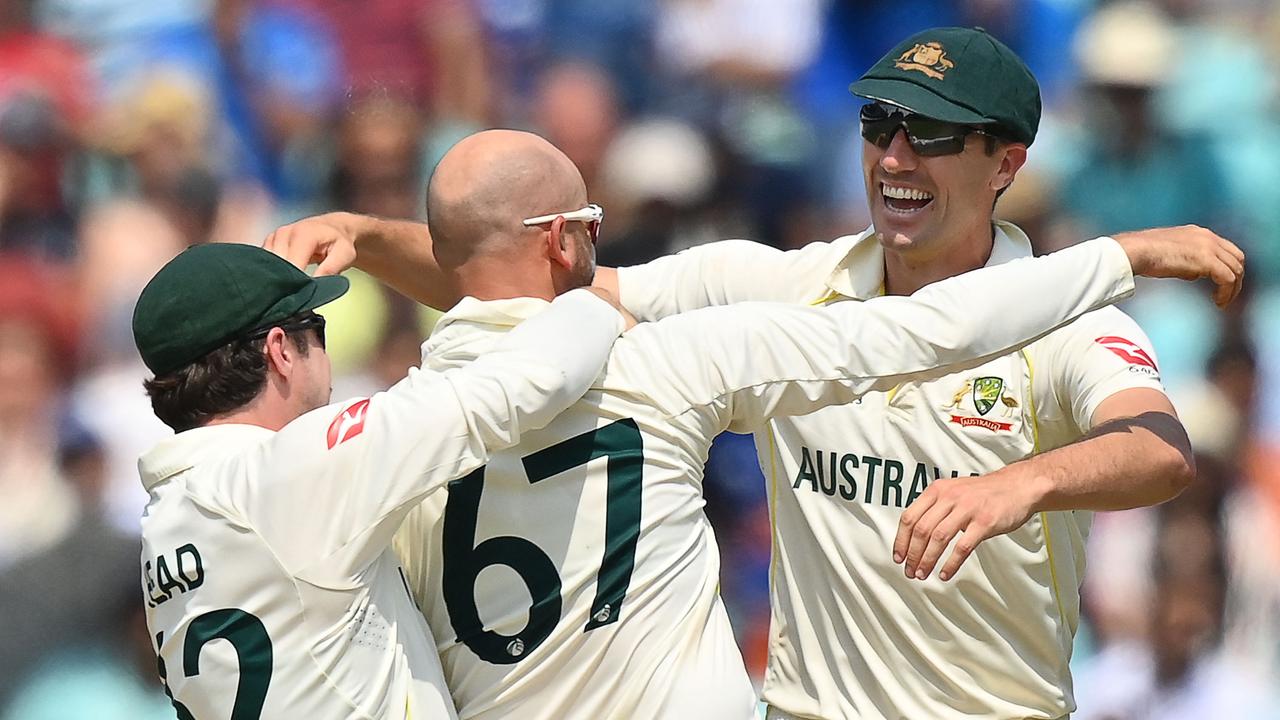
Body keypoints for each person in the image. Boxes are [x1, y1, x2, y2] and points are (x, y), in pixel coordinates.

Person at [267, 126, 1240, 719]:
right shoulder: (672, 363)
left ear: (1005, 163)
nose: (894, 156)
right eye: (879, 127)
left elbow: (494, 268)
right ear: (568, 240)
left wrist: (368, 236)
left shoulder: (380, 432)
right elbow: (926, 329)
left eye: (932, 136)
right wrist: (1119, 254)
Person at [131, 242, 629, 719]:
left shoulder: (165, 517)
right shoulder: (290, 472)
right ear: (279, 350)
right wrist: (596, 303)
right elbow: (526, 382)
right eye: (317, 328)